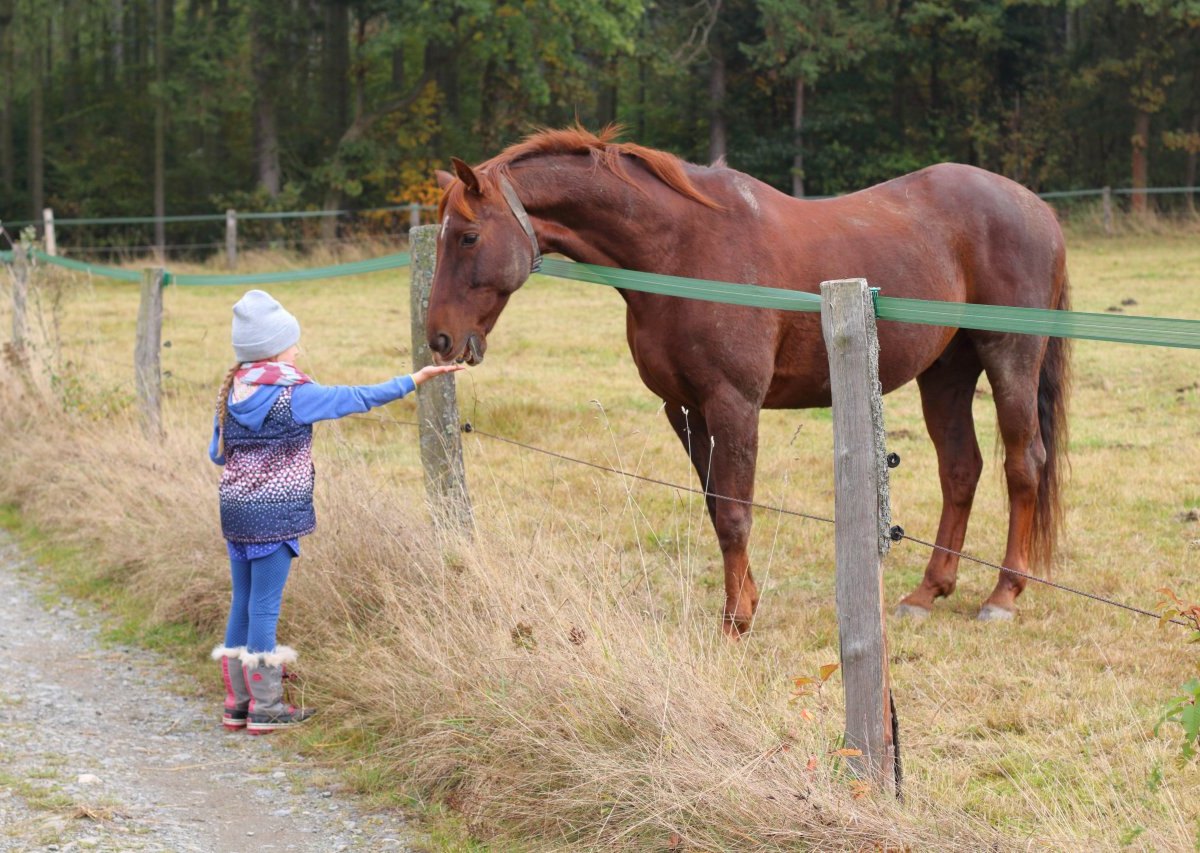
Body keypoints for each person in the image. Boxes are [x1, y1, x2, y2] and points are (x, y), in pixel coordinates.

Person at [208, 289, 463, 734]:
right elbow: (355, 397)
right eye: (291, 343)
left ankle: (237, 702)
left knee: (243, 601)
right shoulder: (292, 393)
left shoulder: (232, 392)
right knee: (266, 607)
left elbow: (217, 453)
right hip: (275, 514)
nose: (297, 349)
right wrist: (414, 379)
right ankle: (267, 707)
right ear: (275, 348)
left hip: (235, 511)